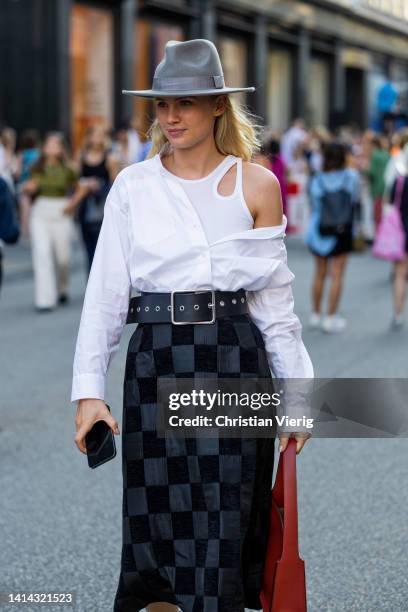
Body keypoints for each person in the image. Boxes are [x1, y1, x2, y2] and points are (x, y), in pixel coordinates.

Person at [71, 39, 313, 612]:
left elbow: (276, 310)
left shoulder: (258, 185)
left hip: (233, 358)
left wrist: (297, 396)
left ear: (218, 107)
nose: (171, 117)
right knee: (157, 530)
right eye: (161, 105)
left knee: (226, 520)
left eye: (187, 102)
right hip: (156, 357)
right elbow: (104, 298)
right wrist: (87, 393)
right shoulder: (133, 186)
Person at [305, 141, 361, 333]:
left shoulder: (317, 179)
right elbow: (354, 199)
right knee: (337, 274)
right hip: (342, 230)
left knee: (319, 273)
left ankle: (315, 314)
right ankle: (331, 317)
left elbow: (313, 203)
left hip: (319, 230)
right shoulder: (351, 177)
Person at [21, 132, 78, 311]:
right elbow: (25, 188)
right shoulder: (35, 167)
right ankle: (45, 299)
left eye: (56, 145)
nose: (51, 148)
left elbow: (79, 189)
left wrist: (71, 205)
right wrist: (29, 188)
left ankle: (62, 288)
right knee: (42, 254)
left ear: (62, 148)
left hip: (61, 209)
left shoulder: (69, 168)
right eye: (49, 144)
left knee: (63, 258)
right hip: (40, 210)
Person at [65, 125, 118, 274]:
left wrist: (100, 185)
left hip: (102, 206)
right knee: (88, 248)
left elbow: (115, 184)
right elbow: (74, 181)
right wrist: (85, 183)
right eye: (95, 135)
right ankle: (90, 285)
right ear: (88, 137)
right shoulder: (81, 156)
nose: (98, 138)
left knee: (103, 249)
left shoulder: (110, 158)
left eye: (101, 135)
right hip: (85, 205)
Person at [387, 143, 408, 329]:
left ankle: (398, 313)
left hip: (401, 232)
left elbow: (390, 201)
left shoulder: (400, 181)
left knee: (400, 274)